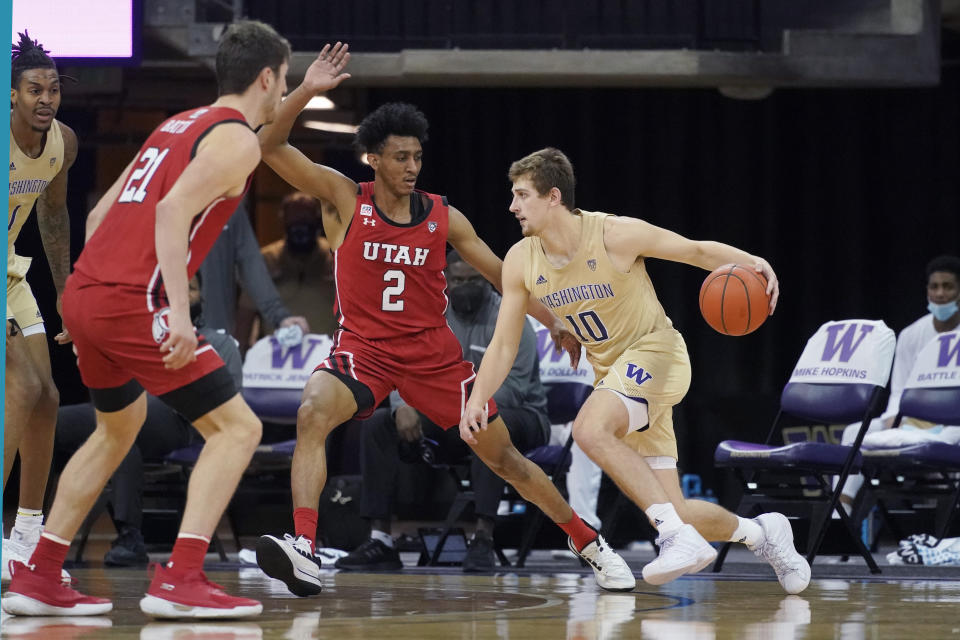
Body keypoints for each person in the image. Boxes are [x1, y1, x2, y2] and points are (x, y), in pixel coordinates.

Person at [253, 48, 635, 596]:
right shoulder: (343, 198)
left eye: (417, 156)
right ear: (374, 160)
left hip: (433, 357)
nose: (412, 167)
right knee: (313, 411)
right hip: (364, 350)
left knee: (504, 459)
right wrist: (308, 89)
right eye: (400, 157)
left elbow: (505, 274)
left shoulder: (442, 216)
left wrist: (553, 320)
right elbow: (268, 145)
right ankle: (306, 549)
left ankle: (589, 543)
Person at [2, 20, 290, 619]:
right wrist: (178, 316)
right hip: (136, 301)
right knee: (238, 430)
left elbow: (104, 207)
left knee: (117, 428)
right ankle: (181, 578)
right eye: (285, 80)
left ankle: (38, 575)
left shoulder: (174, 125)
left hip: (92, 292)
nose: (283, 88)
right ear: (267, 77)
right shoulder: (236, 140)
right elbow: (173, 208)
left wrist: (87, 305)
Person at [461, 147, 811, 593]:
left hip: (658, 355)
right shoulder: (520, 260)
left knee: (590, 429)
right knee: (675, 506)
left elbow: (696, 251)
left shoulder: (614, 234)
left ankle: (673, 538)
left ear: (553, 197)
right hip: (615, 378)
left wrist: (752, 261)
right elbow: (505, 343)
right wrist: (477, 398)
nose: (512, 206)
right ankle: (762, 534)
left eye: (521, 195)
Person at [335, 250, 551, 572]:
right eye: (458, 279)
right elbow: (401, 366)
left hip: (521, 414)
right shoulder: (431, 314)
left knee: (485, 422)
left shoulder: (512, 315)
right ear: (445, 281)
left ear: (488, 281)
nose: (465, 286)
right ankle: (380, 539)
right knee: (379, 423)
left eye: (474, 279)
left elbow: (513, 388)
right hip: (452, 413)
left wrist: (459, 404)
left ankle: (483, 539)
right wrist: (403, 405)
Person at [52, 275, 243, 567]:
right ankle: (39, 528)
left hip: (184, 424)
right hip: (133, 416)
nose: (180, 297)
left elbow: (230, 409)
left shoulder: (221, 342)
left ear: (201, 297)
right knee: (49, 424)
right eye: (171, 291)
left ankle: (128, 537)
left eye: (188, 289)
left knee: (122, 422)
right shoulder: (143, 336)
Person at [3, 31, 77, 584]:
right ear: (11, 95)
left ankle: (26, 532)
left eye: (53, 89)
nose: (46, 98)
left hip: (11, 271)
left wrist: (68, 293)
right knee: (23, 388)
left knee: (48, 396)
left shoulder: (63, 143)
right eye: (34, 89)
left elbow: (53, 217)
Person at [836, 254, 960, 511]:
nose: (940, 293)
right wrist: (895, 417)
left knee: (950, 437)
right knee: (852, 433)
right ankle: (840, 516)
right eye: (934, 286)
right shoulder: (911, 335)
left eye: (948, 286)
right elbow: (900, 389)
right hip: (911, 422)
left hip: (953, 424)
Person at [198, 201, 309, 346]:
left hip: (214, 337)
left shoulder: (228, 204)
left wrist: (279, 316)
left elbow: (251, 265)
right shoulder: (161, 199)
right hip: (165, 330)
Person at [235, 191, 337, 342]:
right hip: (274, 356)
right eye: (295, 219)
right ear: (283, 220)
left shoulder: (335, 257)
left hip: (327, 353)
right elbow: (246, 312)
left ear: (317, 220)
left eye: (305, 219)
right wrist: (239, 356)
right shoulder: (266, 260)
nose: (300, 226)